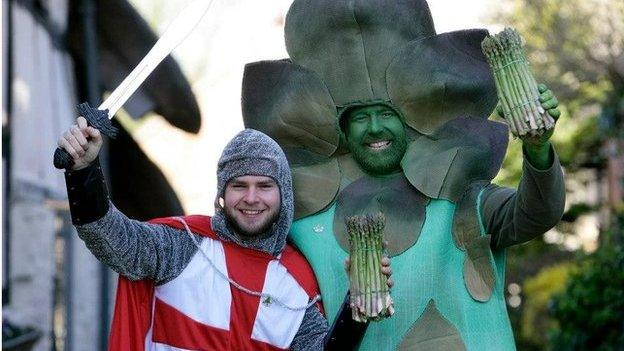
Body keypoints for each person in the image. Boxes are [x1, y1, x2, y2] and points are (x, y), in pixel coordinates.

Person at [238, 0, 566, 349]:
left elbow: (536, 212)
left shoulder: (465, 200)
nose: (375, 127)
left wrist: (538, 148)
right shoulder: (301, 225)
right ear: (342, 134)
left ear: (409, 122)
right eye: (360, 118)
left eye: (385, 114)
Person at [58, 122, 330, 350]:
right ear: (222, 191)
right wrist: (83, 171)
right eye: (239, 185)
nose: (251, 197)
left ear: (283, 193)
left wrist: (361, 305)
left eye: (264, 185)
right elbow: (110, 237)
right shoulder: (181, 245)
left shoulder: (298, 283)